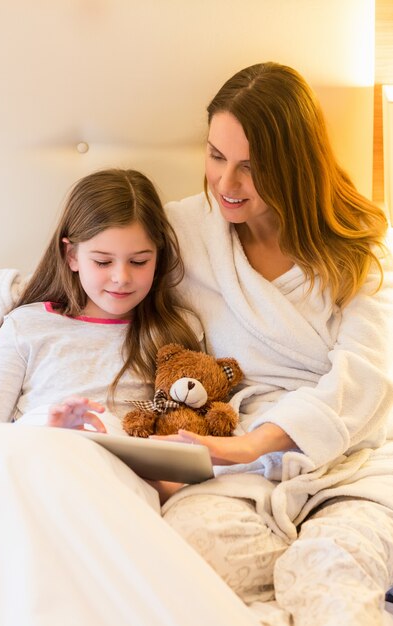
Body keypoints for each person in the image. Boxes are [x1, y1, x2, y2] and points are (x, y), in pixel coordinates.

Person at [158, 62, 393, 626]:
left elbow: (364, 372)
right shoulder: (184, 234)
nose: (226, 184)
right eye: (216, 156)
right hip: (237, 464)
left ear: (295, 164)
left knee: (327, 574)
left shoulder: (364, 243)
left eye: (251, 167)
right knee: (186, 554)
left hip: (355, 455)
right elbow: (95, 274)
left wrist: (257, 442)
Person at [0, 168, 203, 432]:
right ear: (71, 256)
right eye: (103, 262)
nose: (121, 277)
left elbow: (197, 428)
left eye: (139, 261)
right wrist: (48, 429)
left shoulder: (177, 332)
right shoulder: (25, 326)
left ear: (158, 256)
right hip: (41, 456)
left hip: (128, 468)